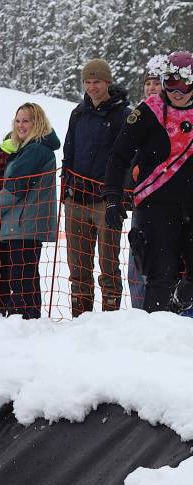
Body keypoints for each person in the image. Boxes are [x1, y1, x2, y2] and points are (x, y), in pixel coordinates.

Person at [103, 51, 193, 313]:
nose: (177, 92)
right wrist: (112, 197)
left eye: (184, 84)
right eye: (171, 84)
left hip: (190, 206)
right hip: (155, 206)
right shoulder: (149, 111)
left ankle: (180, 307)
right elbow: (119, 155)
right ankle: (156, 334)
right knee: (160, 276)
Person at [62, 58, 132, 316]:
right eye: (88, 82)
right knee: (77, 265)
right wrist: (66, 185)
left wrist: (118, 195)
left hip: (106, 200)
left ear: (108, 82)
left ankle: (110, 318)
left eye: (97, 82)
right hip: (76, 197)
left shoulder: (123, 115)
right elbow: (69, 149)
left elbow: (126, 158)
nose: (92, 87)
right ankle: (80, 316)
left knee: (108, 263)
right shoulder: (78, 113)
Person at [0, 103, 60, 319]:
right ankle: (28, 317)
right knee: (25, 275)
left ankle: (22, 317)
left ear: (37, 123)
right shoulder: (27, 148)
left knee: (21, 276)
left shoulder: (35, 149)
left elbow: (16, 185)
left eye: (26, 120)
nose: (21, 125)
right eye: (18, 120)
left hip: (25, 222)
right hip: (22, 222)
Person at [127, 63, 165, 310]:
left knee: (164, 264)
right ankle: (138, 314)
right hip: (141, 199)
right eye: (148, 84)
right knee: (136, 263)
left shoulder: (175, 115)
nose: (152, 88)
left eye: (156, 83)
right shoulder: (138, 115)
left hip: (169, 200)